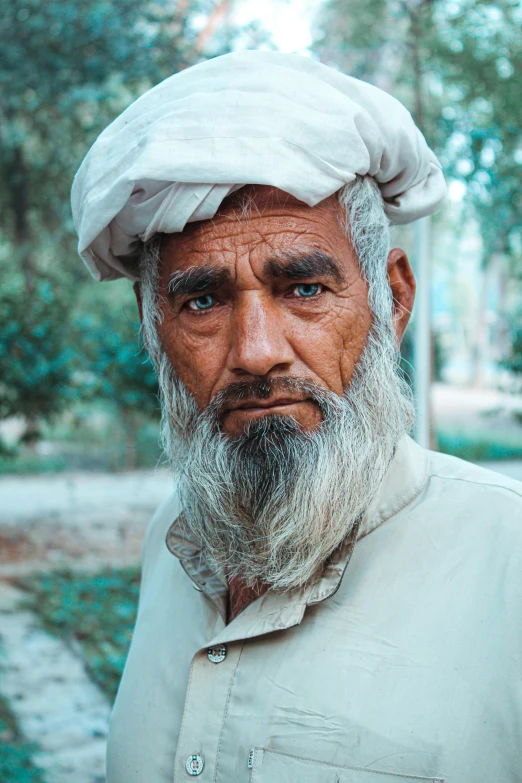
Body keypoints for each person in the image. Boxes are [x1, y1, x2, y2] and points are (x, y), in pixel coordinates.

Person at [72, 51, 522, 783]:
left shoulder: (510, 564)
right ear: (155, 325)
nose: (256, 353)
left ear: (392, 299)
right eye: (204, 301)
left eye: (305, 288)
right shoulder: (172, 538)